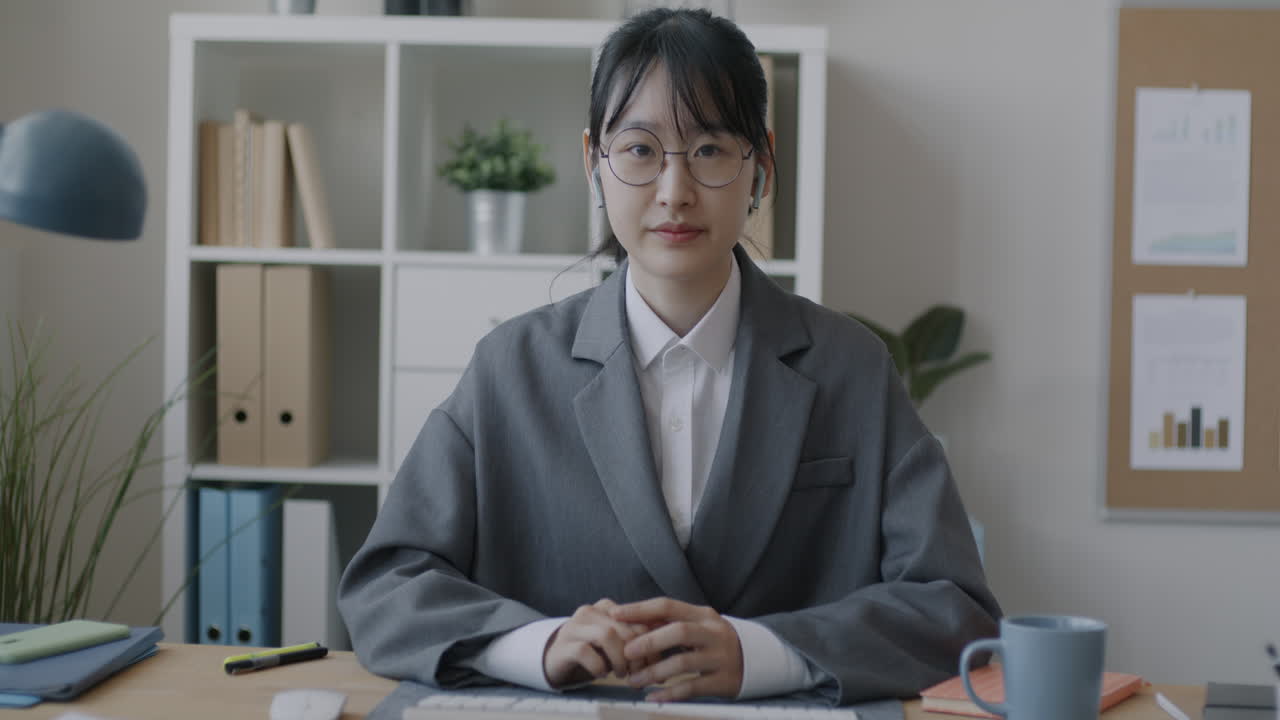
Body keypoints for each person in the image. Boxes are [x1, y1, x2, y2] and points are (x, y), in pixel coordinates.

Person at [337, 7, 1001, 707]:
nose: (674, 192)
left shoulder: (851, 368)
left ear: (761, 166)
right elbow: (386, 587)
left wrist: (763, 654)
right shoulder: (510, 369)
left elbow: (954, 608)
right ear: (594, 162)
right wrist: (539, 643)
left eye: (711, 149)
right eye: (641, 149)